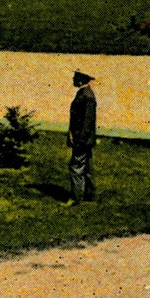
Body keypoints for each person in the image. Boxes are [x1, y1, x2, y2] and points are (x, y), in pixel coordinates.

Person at [65, 69, 97, 205]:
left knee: (76, 167)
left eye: (75, 77)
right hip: (85, 139)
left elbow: (87, 122)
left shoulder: (87, 96)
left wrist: (79, 141)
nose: (73, 79)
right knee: (87, 168)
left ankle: (76, 197)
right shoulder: (85, 94)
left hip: (82, 140)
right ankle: (88, 195)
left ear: (80, 79)